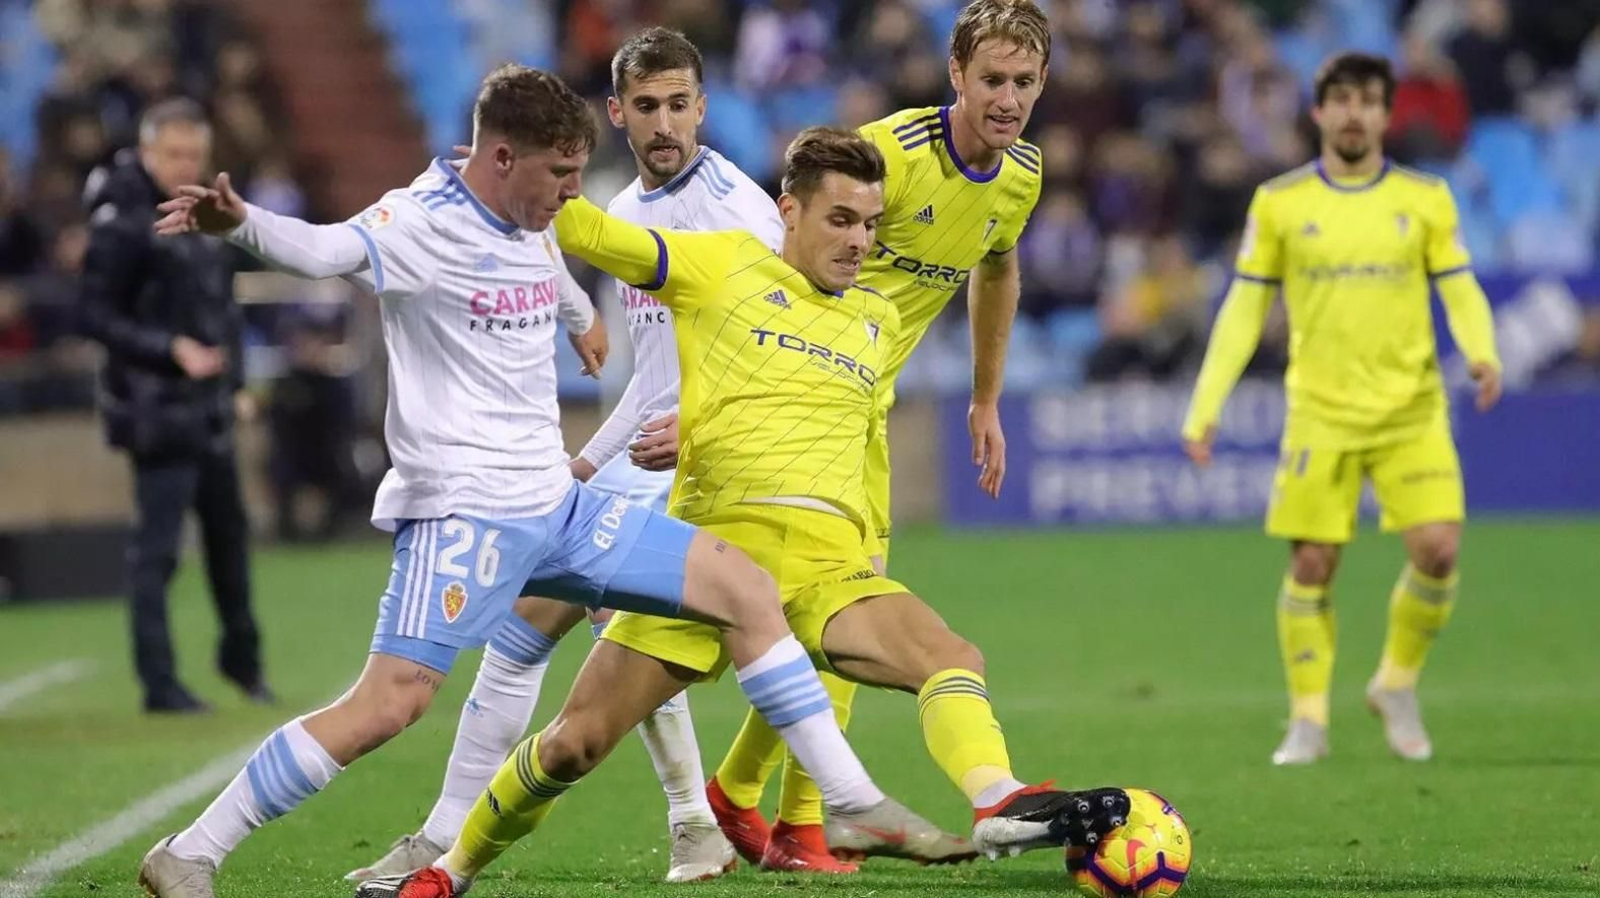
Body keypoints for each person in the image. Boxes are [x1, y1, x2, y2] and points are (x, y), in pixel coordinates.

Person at [136, 65, 953, 898]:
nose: (571, 194)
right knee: (390, 704)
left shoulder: (529, 214)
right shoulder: (419, 222)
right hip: (465, 515)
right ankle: (192, 850)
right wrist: (242, 224)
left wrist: (579, 314)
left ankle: (845, 801)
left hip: (560, 509)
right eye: (560, 174)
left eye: (577, 174)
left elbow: (541, 256)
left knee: (743, 587)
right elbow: (325, 249)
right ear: (501, 158)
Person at [355, 125, 1128, 898]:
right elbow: (591, 233)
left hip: (825, 569)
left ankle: (999, 800)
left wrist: (869, 544)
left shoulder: (877, 320)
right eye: (840, 220)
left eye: (869, 225)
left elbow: (850, 438)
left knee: (951, 657)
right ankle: (450, 870)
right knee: (573, 745)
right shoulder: (720, 265)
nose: (859, 242)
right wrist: (522, 179)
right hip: (710, 566)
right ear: (789, 211)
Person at [345, 28, 785, 884]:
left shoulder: (741, 213)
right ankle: (454, 834)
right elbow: (652, 376)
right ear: (618, 113)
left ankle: (694, 821)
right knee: (521, 627)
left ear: (703, 106)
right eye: (647, 106)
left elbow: (778, 353)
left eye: (680, 104)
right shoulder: (626, 216)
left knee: (601, 618)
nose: (665, 123)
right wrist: (591, 460)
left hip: (715, 459)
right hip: (646, 456)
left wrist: (699, 427)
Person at [706, 0, 1049, 857]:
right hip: (799, 408)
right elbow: (779, 253)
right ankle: (792, 819)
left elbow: (997, 268)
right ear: (956, 75)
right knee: (831, 612)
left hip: (867, 413)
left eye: (1025, 82)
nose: (1008, 99)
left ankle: (754, 799)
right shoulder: (890, 155)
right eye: (992, 80)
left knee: (840, 623)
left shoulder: (1021, 176)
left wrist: (985, 399)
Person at [1180, 52, 1502, 766]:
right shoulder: (1280, 203)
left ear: (1386, 115)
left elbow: (1459, 285)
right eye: (1342, 100)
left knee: (1439, 549)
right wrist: (1205, 407)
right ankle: (1308, 720)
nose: (1355, 114)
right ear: (1319, 112)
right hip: (1320, 412)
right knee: (1313, 562)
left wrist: (1483, 351)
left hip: (1411, 408)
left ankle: (1396, 683)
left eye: (1368, 101)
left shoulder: (1426, 198)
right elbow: (1244, 308)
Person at [79, 97, 271, 714]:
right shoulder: (120, 220)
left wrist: (236, 381)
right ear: (146, 151)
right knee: (158, 552)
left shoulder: (203, 211)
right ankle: (159, 683)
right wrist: (169, 349)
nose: (185, 165)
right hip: (154, 409)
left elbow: (222, 306)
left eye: (195, 154)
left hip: (208, 405)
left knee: (229, 542)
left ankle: (244, 664)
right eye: (174, 154)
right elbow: (93, 313)